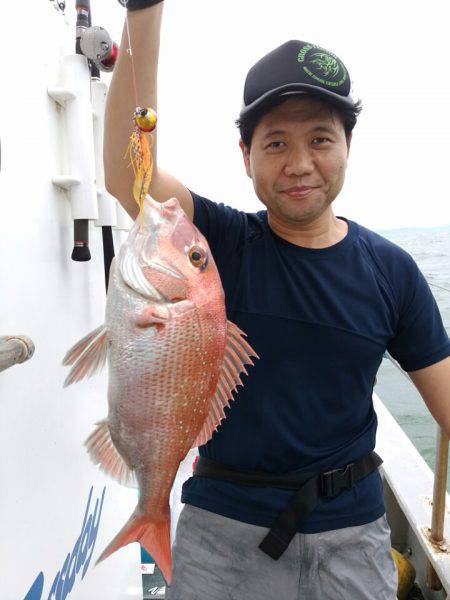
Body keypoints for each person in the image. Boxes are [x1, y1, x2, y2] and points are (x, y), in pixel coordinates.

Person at [105, 2, 450, 599]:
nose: (299, 164)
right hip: (221, 532)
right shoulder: (220, 245)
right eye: (275, 143)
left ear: (347, 145)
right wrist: (144, 16)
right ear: (245, 156)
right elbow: (125, 175)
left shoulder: (390, 270)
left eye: (320, 138)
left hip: (353, 535)